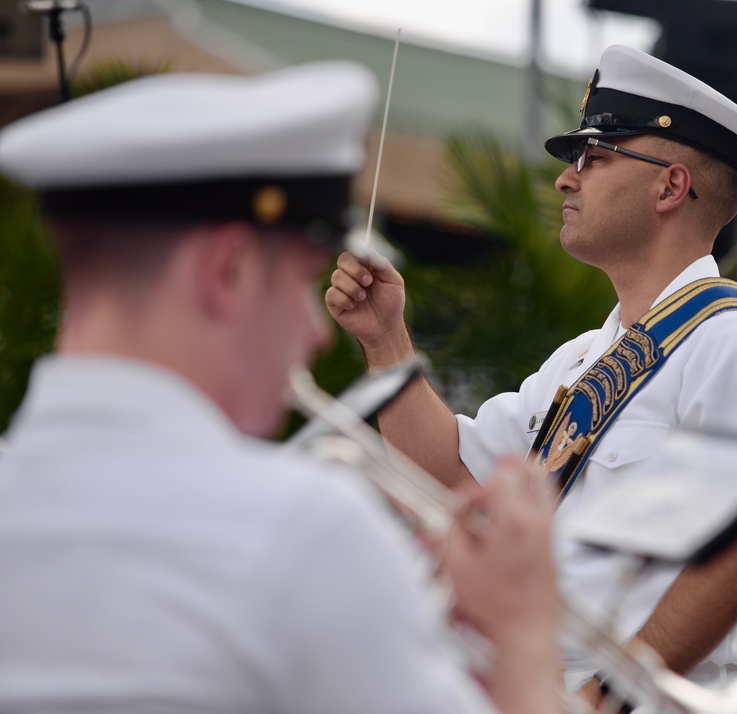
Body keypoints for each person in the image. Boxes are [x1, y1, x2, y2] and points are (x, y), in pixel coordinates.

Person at [0, 62, 564, 714]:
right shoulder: (304, 533)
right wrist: (522, 636)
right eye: (299, 283)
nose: (315, 331)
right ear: (230, 269)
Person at [326, 44, 737, 708]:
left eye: (595, 158)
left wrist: (601, 697)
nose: (566, 179)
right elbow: (451, 479)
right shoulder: (582, 359)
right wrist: (386, 340)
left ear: (669, 186)